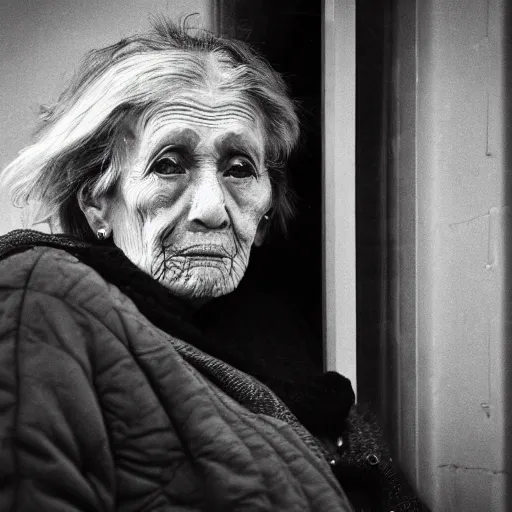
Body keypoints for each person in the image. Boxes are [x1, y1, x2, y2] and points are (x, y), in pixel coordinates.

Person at [0, 19, 423, 511]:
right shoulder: (41, 298)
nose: (211, 209)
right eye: (169, 164)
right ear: (98, 204)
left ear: (266, 213)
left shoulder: (284, 350)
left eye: (239, 169)